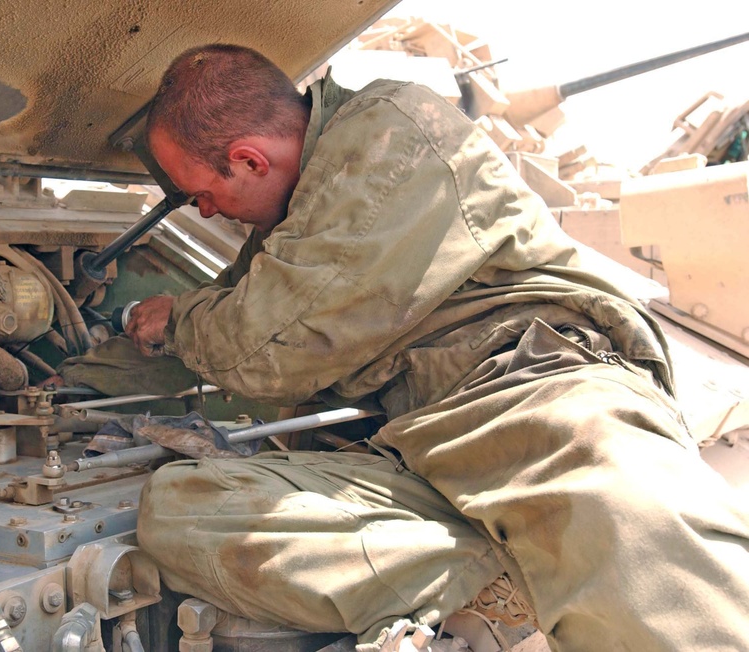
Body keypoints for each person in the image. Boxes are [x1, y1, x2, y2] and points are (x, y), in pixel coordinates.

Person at [62, 44, 749, 650]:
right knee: (180, 511)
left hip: (528, 395)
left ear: (248, 158)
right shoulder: (292, 214)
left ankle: (547, 557)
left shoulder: (386, 136)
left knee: (653, 562)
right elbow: (241, 319)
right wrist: (70, 378)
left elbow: (263, 346)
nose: (205, 212)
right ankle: (509, 571)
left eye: (201, 197)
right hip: (408, 447)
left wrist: (176, 320)